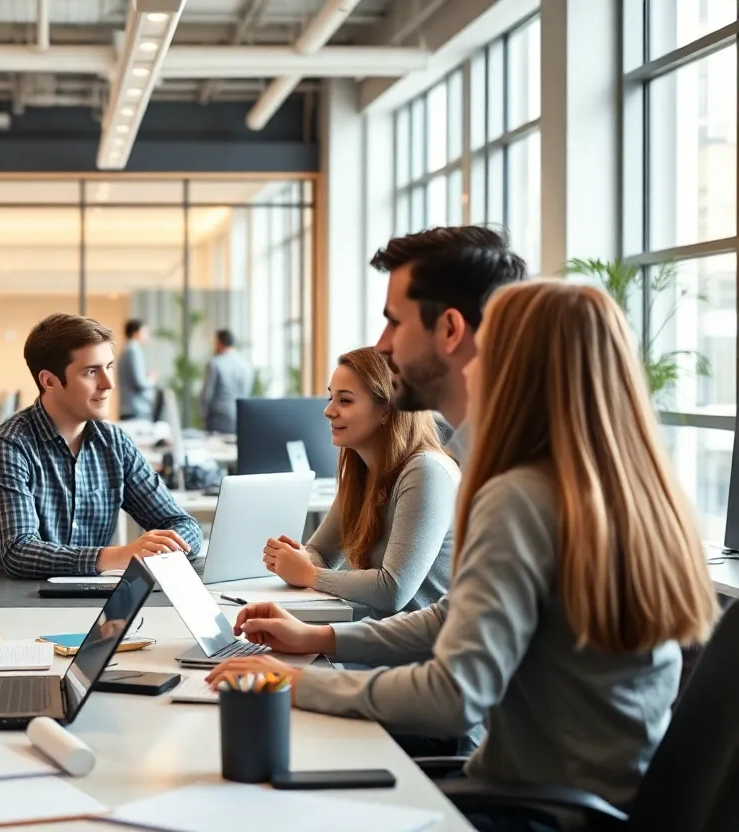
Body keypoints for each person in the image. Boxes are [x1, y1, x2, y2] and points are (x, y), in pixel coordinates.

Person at [210, 280, 719, 816]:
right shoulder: (634, 492)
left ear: (520, 373)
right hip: (588, 794)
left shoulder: (522, 497)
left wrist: (301, 685)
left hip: (535, 809)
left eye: (486, 353)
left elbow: (453, 695)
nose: (470, 370)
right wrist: (320, 637)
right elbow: (450, 616)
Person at [0, 313, 202, 581]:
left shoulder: (115, 444)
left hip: (92, 596)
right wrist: (122, 555)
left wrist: (166, 547)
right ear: (49, 381)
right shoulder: (8, 446)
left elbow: (183, 524)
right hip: (10, 603)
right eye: (91, 371)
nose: (108, 384)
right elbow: (19, 553)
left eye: (109, 367)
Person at [263, 347, 459, 620]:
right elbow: (320, 551)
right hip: (377, 636)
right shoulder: (362, 472)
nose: (328, 411)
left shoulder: (426, 471)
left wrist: (309, 573)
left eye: (345, 401)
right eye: (331, 397)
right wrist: (297, 559)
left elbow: (394, 590)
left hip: (423, 652)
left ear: (386, 410)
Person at [373, 226, 527, 462]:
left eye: (395, 322)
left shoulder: (507, 490)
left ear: (451, 330)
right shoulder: (494, 460)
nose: (381, 346)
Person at [200, 329, 253, 434]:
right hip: (240, 415)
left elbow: (207, 393)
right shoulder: (246, 364)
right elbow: (247, 390)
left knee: (216, 448)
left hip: (218, 417)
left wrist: (202, 414)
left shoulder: (215, 363)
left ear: (219, 343)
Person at [117, 318, 154, 421]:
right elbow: (139, 382)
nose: (147, 335)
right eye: (145, 331)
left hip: (129, 408)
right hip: (136, 409)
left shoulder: (125, 349)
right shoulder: (133, 350)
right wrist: (151, 379)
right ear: (135, 333)